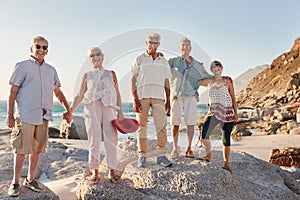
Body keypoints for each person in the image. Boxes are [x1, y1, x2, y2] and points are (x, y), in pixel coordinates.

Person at [6, 36, 72, 197]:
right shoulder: (22, 66)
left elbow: (58, 92)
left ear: (47, 50)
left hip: (44, 116)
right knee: (21, 150)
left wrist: (68, 110)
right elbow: (13, 91)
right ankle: (15, 181)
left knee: (37, 150)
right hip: (26, 115)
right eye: (38, 46)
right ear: (31, 48)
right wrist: (10, 115)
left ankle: (30, 179)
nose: (41, 50)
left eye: (44, 47)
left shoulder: (51, 70)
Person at [69, 47, 124, 184]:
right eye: (92, 55)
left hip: (109, 107)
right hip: (91, 107)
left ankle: (112, 170)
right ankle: (95, 171)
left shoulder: (111, 74)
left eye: (97, 54)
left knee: (111, 139)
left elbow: (117, 93)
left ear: (102, 56)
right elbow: (80, 95)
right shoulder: (87, 75)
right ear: (89, 59)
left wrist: (120, 111)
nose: (95, 57)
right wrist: (70, 110)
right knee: (94, 139)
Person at [131, 33, 172, 168]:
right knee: (141, 126)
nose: (153, 45)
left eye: (155, 42)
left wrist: (168, 101)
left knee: (161, 126)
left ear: (159, 44)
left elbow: (167, 81)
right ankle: (142, 155)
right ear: (146, 43)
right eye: (150, 42)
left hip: (159, 96)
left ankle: (161, 155)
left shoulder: (164, 61)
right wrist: (134, 99)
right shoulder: (139, 59)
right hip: (142, 96)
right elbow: (133, 80)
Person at [168, 37, 212, 160]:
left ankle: (188, 148)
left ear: (191, 48)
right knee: (174, 123)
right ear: (179, 48)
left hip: (191, 96)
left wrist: (220, 79)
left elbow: (207, 79)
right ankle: (175, 149)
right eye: (183, 45)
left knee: (190, 123)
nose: (185, 47)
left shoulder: (197, 65)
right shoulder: (172, 62)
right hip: (176, 96)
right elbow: (162, 69)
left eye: (187, 45)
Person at [199, 60, 238, 173]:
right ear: (211, 70)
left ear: (221, 68)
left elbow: (233, 97)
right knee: (204, 134)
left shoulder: (228, 81)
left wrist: (235, 113)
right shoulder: (208, 81)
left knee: (225, 138)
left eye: (218, 67)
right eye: (214, 68)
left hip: (227, 113)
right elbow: (196, 79)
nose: (216, 69)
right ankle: (208, 156)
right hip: (213, 112)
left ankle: (226, 164)